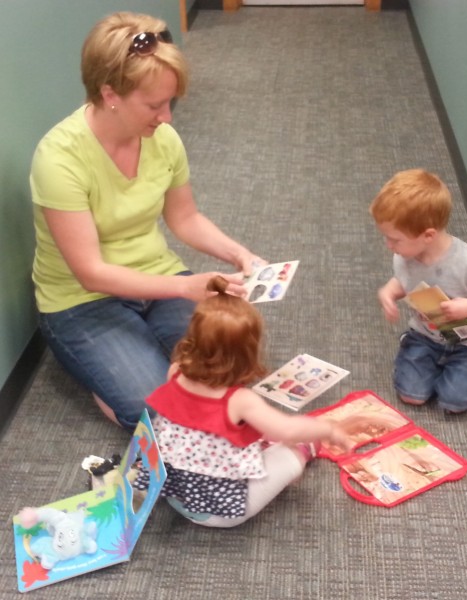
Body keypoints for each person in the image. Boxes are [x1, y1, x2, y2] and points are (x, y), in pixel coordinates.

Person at [30, 12, 264, 431]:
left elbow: (185, 218)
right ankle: (106, 379)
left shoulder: (163, 139)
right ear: (109, 94)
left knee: (227, 376)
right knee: (163, 410)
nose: (167, 118)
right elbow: (91, 273)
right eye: (154, 105)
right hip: (82, 304)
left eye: (169, 103)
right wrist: (185, 287)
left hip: (158, 279)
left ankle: (133, 362)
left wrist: (239, 254)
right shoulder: (59, 158)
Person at [133, 276, 353, 528]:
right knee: (291, 454)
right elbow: (289, 429)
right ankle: (304, 452)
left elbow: (195, 419)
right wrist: (329, 430)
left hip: (174, 495)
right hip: (222, 514)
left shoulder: (176, 371)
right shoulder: (240, 401)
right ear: (247, 354)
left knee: (238, 438)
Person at [369, 169, 467, 415]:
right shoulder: (404, 256)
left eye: (394, 239)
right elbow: (402, 280)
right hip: (426, 334)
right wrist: (388, 293)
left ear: (428, 235)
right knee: (412, 396)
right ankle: (417, 349)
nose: (389, 246)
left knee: (455, 402)